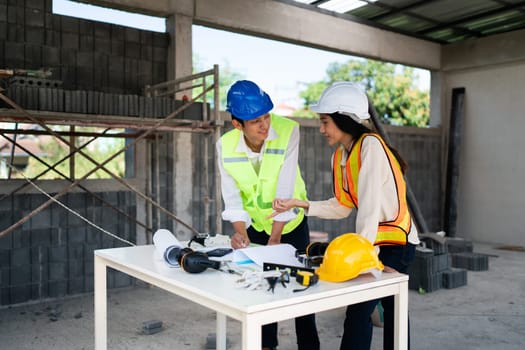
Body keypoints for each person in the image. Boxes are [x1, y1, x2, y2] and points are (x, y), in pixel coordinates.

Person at [270, 82, 420, 350]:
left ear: (344, 119)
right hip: (374, 243)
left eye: (325, 121)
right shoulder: (341, 155)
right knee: (366, 311)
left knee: (382, 310)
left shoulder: (370, 145)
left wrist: (362, 258)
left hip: (397, 245)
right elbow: (342, 206)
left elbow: (371, 207)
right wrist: (300, 204)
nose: (321, 128)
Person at [216, 80, 320, 350]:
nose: (265, 125)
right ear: (237, 124)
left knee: (301, 288)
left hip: (291, 224)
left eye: (266, 116)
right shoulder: (225, 146)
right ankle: (265, 345)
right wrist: (240, 232)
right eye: (255, 121)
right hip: (255, 226)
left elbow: (285, 188)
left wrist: (276, 238)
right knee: (263, 289)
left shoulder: (288, 131)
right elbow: (232, 196)